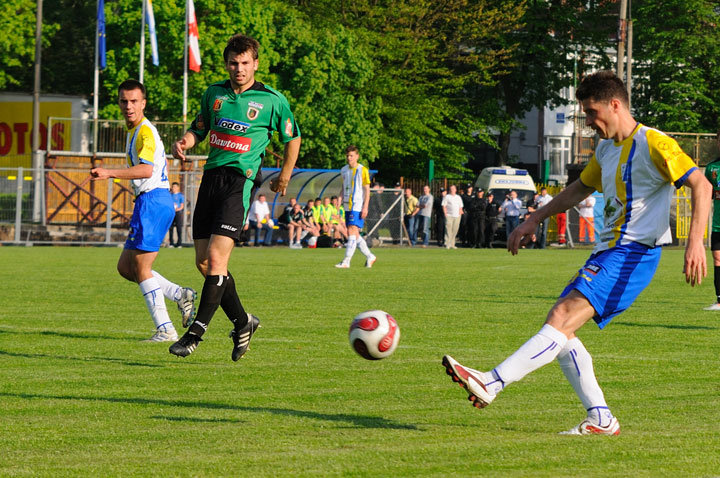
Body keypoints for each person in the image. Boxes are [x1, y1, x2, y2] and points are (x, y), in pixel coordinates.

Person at [442, 70, 710, 435]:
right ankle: (600, 417)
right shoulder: (606, 148)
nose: (588, 122)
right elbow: (579, 189)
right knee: (562, 330)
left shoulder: (655, 144)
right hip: (608, 252)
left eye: (591, 112)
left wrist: (695, 242)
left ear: (615, 105)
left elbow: (701, 184)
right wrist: (532, 219)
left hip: (633, 253)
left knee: (561, 316)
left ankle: (492, 382)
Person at [169, 34, 301, 359]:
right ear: (227, 63)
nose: (238, 69)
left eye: (245, 63)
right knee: (204, 263)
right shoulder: (214, 93)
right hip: (210, 179)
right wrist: (185, 142)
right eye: (233, 63)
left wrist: (284, 175)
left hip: (239, 182)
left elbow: (292, 137)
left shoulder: (272, 100)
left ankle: (195, 333)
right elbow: (199, 128)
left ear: (255, 63)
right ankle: (243, 322)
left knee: (216, 258)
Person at [90, 79, 196, 342]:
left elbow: (147, 170)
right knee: (126, 267)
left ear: (143, 103)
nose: (129, 106)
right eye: (124, 101)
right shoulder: (135, 131)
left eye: (134, 101)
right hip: (149, 202)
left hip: (153, 201)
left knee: (141, 267)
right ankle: (179, 294)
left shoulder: (145, 132)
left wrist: (109, 173)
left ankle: (165, 328)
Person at [335, 145, 377, 268]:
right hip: (347, 205)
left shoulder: (362, 170)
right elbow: (343, 188)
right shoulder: (343, 170)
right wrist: (339, 200)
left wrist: (365, 206)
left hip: (357, 205)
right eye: (347, 156)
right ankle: (370, 256)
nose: (349, 158)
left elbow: (367, 190)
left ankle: (346, 261)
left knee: (351, 231)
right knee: (355, 234)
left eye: (352, 155)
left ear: (357, 156)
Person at [704, 130, 720, 310]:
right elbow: (705, 193)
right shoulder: (712, 168)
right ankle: (719, 300)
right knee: (717, 258)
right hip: (718, 223)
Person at [442, 184, 464, 249]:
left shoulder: (458, 197)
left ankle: (452, 244)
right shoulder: (447, 197)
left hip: (457, 216)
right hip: (449, 215)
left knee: (455, 230)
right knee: (448, 230)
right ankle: (447, 243)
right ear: (450, 190)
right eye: (451, 189)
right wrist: (445, 214)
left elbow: (461, 206)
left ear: (456, 190)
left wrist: (460, 212)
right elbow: (444, 206)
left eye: (453, 189)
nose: (452, 190)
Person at [169, 182, 185, 248]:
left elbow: (182, 206)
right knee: (171, 228)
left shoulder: (180, 196)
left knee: (179, 228)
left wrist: (177, 209)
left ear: (178, 188)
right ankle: (171, 243)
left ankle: (179, 243)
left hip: (178, 213)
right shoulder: (170, 195)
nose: (174, 188)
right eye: (173, 187)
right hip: (171, 213)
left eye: (175, 187)